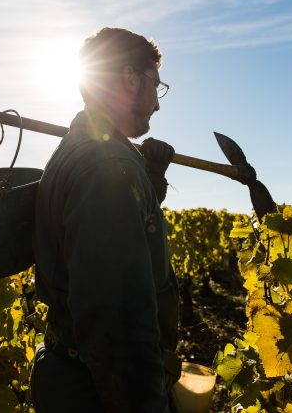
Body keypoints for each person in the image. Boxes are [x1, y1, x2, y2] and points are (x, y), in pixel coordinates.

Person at [31, 27, 181, 412]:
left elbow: (120, 224)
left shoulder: (85, 148)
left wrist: (151, 179)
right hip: (96, 391)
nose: (157, 104)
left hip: (71, 375)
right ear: (130, 78)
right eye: (156, 86)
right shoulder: (106, 166)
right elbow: (116, 326)